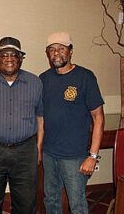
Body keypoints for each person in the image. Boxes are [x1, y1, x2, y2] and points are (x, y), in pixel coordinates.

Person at [40, 32, 105, 213]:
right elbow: (40, 117)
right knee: (51, 200)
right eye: (51, 50)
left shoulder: (85, 77)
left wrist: (92, 156)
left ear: (70, 52)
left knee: (77, 204)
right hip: (49, 154)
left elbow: (98, 117)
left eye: (61, 48)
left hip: (75, 156)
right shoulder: (44, 79)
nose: (56, 53)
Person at [0, 37, 44, 214]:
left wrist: (38, 148)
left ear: (20, 58)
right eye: (4, 54)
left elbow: (40, 118)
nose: (9, 58)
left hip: (25, 151)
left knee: (26, 203)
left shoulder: (35, 83)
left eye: (14, 55)